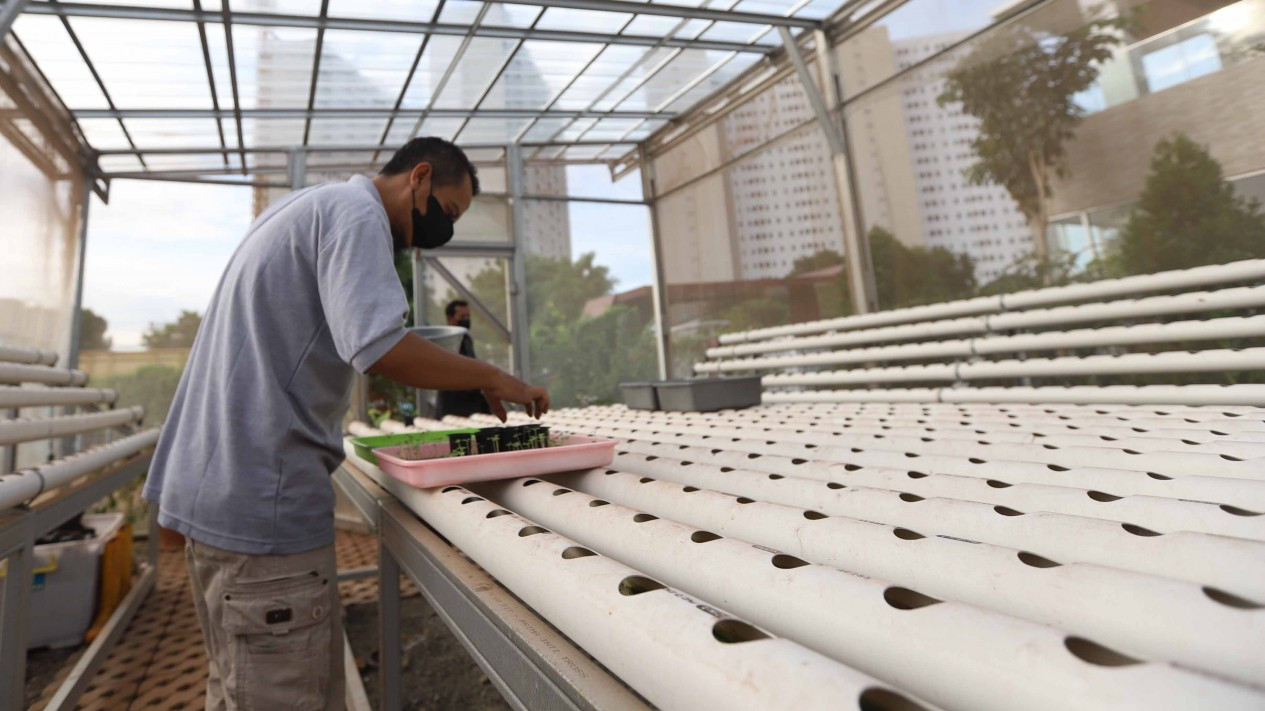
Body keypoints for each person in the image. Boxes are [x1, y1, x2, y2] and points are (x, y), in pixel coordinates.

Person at [142, 137, 549, 711]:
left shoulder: (305, 206)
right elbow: (380, 347)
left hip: (224, 496)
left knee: (239, 684)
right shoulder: (357, 216)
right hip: (265, 507)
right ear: (421, 177)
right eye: (448, 213)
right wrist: (491, 375)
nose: (444, 229)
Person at [434, 299, 493, 419]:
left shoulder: (466, 339)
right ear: (450, 319)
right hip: (453, 403)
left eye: (468, 316)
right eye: (462, 316)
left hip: (470, 400)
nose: (466, 319)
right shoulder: (447, 341)